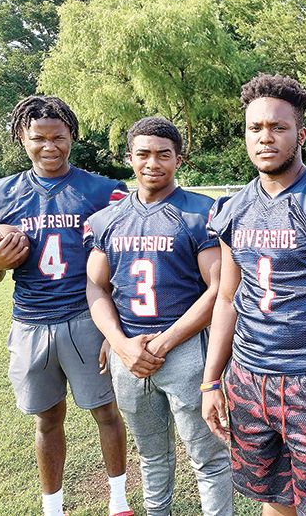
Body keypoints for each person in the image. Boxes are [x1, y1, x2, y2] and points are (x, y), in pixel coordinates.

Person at [200, 73, 306, 516]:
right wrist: (211, 380)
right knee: (273, 499)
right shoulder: (231, 208)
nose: (265, 137)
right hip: (248, 377)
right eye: (255, 128)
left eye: (278, 127)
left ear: (301, 134)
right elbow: (227, 298)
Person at [0, 96, 133, 516]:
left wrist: (114, 330)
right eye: (38, 138)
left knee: (106, 411)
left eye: (59, 137)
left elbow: (122, 262)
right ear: (21, 137)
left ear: (72, 137)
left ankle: (119, 501)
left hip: (86, 317)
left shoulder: (103, 191)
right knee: (46, 419)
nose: (49, 146)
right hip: (30, 320)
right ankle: (52, 507)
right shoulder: (1, 194)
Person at [85, 116, 233, 516]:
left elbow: (218, 289)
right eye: (144, 154)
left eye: (164, 154)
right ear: (129, 158)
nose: (153, 163)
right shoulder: (107, 219)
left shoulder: (201, 213)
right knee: (151, 456)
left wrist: (164, 342)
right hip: (129, 352)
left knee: (208, 456)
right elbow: (96, 287)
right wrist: (120, 344)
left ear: (178, 160)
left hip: (186, 348)